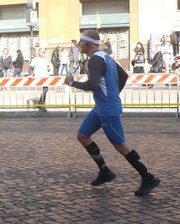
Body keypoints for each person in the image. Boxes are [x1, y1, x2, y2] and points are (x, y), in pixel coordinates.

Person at [64, 30, 160, 197]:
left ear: (88, 43)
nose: (79, 45)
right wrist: (114, 93)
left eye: (81, 42)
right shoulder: (105, 57)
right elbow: (123, 76)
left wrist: (72, 82)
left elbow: (93, 85)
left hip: (108, 109)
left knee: (120, 145)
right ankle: (105, 171)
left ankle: (148, 177)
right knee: (83, 135)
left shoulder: (95, 60)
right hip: (101, 107)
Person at [29, 48, 51, 112]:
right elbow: (30, 67)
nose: (44, 53)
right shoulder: (35, 59)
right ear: (39, 53)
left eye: (44, 52)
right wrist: (31, 74)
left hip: (45, 76)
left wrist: (48, 68)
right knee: (45, 89)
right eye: (42, 52)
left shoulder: (45, 60)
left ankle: (40, 104)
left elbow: (47, 67)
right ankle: (41, 104)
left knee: (46, 89)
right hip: (39, 77)